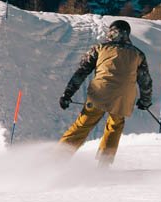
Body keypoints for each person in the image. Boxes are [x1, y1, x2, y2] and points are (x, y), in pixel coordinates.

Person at [57, 20, 153, 163]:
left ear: (111, 32)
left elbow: (81, 72)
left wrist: (67, 94)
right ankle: (104, 163)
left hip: (99, 94)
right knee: (115, 126)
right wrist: (145, 100)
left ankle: (57, 158)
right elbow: (145, 80)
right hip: (123, 98)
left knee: (83, 125)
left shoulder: (100, 48)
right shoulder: (138, 54)